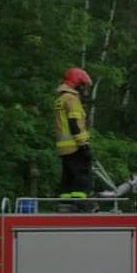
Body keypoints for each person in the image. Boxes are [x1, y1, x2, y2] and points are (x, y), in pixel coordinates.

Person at [54, 67, 94, 199]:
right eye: (83, 86)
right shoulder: (72, 99)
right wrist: (83, 145)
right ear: (76, 83)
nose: (84, 89)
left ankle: (66, 204)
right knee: (82, 175)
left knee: (68, 177)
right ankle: (80, 203)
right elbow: (74, 124)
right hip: (74, 146)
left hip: (64, 147)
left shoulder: (61, 99)